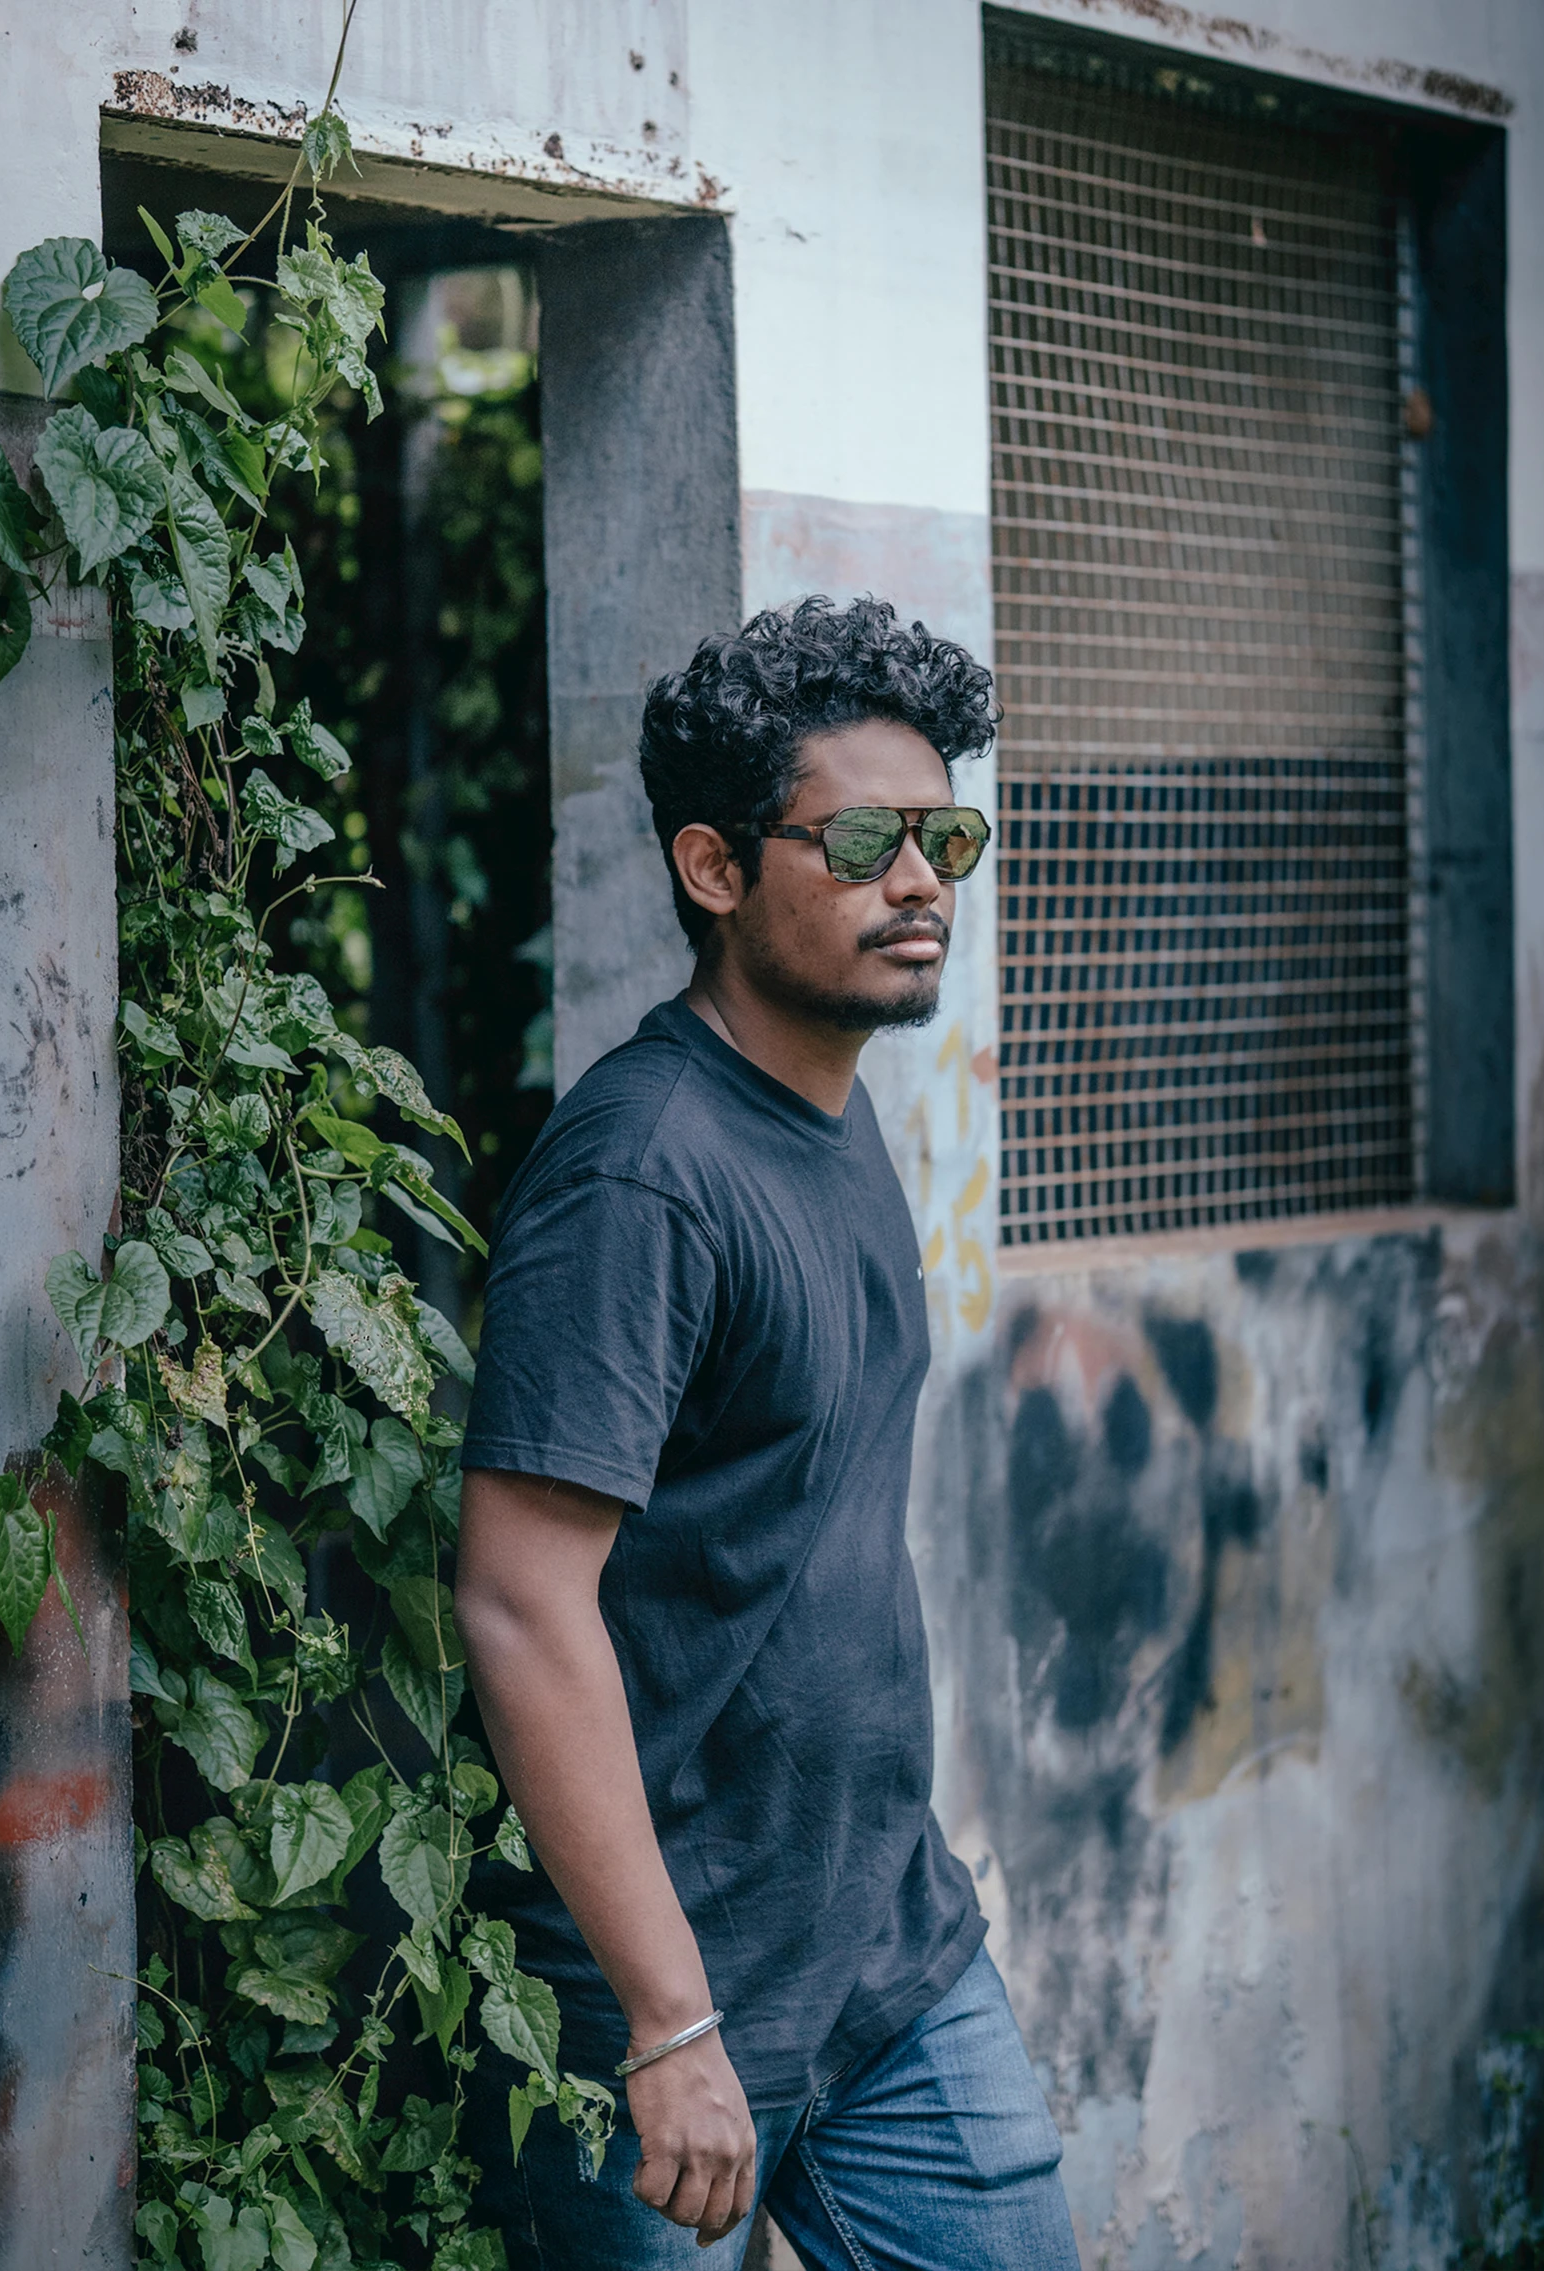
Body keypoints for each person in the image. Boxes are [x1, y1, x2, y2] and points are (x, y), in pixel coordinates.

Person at [455, 597, 1078, 2269]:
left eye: (944, 831)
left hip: (887, 1957)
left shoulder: (829, 1104)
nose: (922, 877)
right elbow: (519, 1597)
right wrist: (669, 2025)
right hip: (664, 1999)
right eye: (864, 837)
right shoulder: (642, 1173)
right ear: (716, 870)